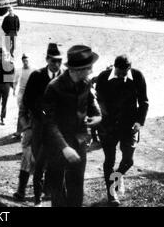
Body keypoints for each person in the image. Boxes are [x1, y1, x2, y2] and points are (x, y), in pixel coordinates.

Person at [42, 45, 101, 207]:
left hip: (79, 142)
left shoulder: (85, 82)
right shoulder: (54, 87)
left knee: (76, 189)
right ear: (79, 70)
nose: (91, 70)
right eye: (89, 68)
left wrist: (97, 116)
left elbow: (91, 103)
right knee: (58, 192)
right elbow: (49, 122)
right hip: (57, 146)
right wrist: (64, 147)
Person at [95, 55, 148, 206]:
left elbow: (144, 101)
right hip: (108, 126)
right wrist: (101, 118)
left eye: (125, 72)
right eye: (119, 72)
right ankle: (112, 194)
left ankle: (117, 177)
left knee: (129, 160)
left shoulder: (137, 76)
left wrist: (139, 122)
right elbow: (97, 100)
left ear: (129, 68)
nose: (121, 75)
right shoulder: (103, 77)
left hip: (129, 125)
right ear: (114, 67)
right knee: (109, 160)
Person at [21, 43, 63, 205]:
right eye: (53, 61)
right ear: (47, 60)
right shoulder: (37, 75)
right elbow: (27, 99)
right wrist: (39, 112)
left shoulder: (64, 77)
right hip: (40, 126)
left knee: (56, 160)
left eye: (59, 61)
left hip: (58, 128)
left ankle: (49, 191)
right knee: (39, 162)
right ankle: (37, 199)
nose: (56, 64)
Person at [12, 53, 34, 138]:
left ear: (29, 61)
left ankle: (31, 131)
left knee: (31, 112)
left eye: (27, 60)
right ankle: (18, 132)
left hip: (31, 94)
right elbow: (15, 81)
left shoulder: (33, 70)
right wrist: (14, 90)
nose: (25, 62)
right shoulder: (19, 70)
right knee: (21, 112)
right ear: (22, 61)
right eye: (24, 61)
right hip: (21, 94)